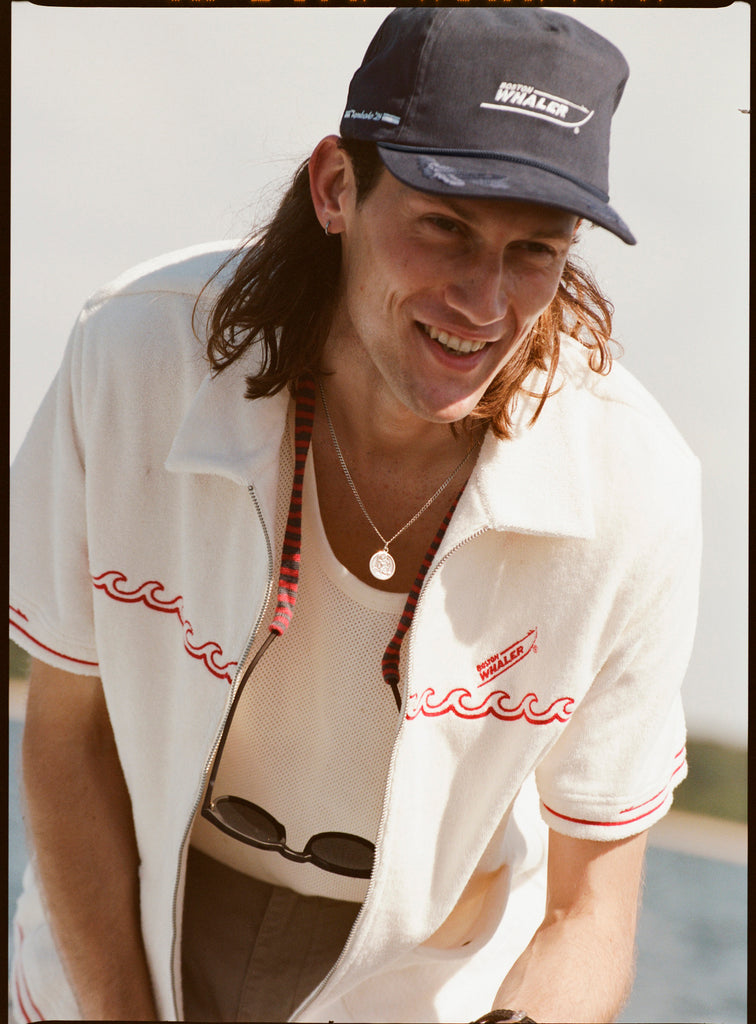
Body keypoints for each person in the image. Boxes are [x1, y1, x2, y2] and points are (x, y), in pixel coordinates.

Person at [9, 8, 701, 1024]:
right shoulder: (130, 357)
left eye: (536, 252)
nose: (484, 301)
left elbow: (589, 909)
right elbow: (68, 733)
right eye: (445, 228)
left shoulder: (637, 487)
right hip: (128, 921)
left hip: (427, 984)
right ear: (337, 187)